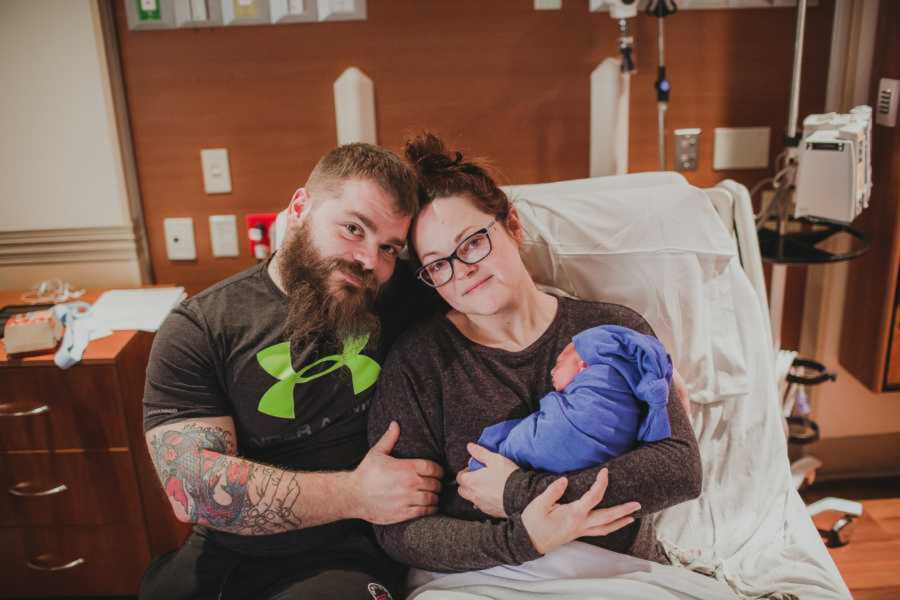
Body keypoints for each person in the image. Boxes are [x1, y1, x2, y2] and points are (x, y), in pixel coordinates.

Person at [368, 133, 703, 576]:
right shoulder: (421, 362)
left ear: (513, 226)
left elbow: (679, 469)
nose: (463, 271)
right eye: (438, 264)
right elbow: (399, 531)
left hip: (618, 573)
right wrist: (520, 538)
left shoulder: (609, 330)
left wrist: (517, 494)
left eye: (471, 243)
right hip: (486, 578)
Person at [139, 143, 441, 600]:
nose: (368, 260)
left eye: (388, 248)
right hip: (228, 547)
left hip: (346, 551)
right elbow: (193, 489)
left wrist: (584, 348)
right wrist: (355, 493)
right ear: (300, 207)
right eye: (353, 228)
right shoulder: (202, 327)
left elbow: (491, 288)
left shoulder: (401, 298)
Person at [468, 324, 674, 475]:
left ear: (583, 366)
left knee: (517, 443)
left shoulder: (609, 382)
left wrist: (514, 491)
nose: (552, 371)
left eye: (559, 364)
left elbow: (678, 470)